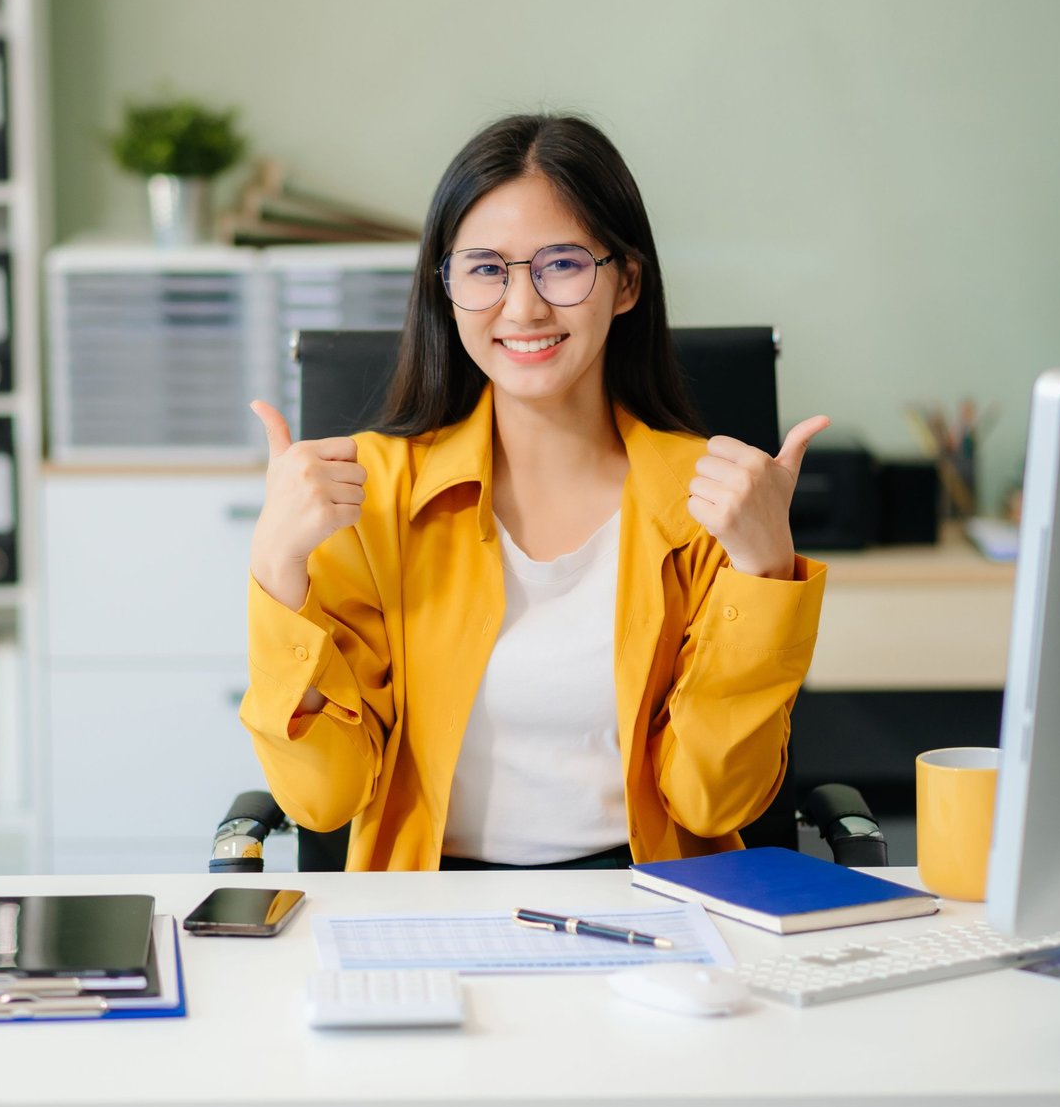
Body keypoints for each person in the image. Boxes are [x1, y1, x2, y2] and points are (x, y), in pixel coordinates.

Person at [240, 113, 829, 871]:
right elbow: (325, 796)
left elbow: (714, 803)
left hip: (650, 905)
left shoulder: (710, 504)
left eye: (562, 264)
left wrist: (763, 574)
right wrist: (278, 576)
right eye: (486, 268)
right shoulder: (375, 495)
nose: (522, 308)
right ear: (446, 290)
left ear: (627, 283)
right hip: (432, 910)